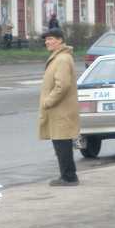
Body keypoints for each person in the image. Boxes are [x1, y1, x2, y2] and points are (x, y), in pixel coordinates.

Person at [38, 27, 80, 186]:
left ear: (60, 40)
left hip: (60, 110)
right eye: (46, 39)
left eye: (51, 39)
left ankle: (69, 177)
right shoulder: (59, 57)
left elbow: (62, 86)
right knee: (60, 143)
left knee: (62, 144)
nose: (48, 42)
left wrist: (48, 101)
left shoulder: (62, 59)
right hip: (59, 110)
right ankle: (67, 175)